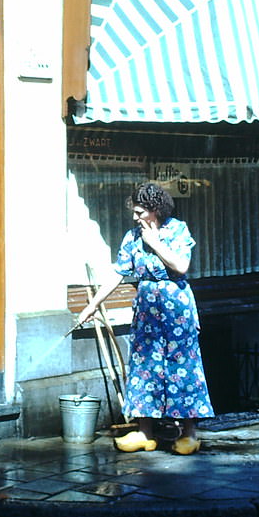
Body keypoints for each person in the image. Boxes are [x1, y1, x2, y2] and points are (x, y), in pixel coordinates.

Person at [77, 182, 214, 455]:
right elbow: (118, 272)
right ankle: (144, 432)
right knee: (144, 367)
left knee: (182, 366)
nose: (135, 217)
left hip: (176, 310)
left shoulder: (177, 230)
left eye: (140, 212)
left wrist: (155, 244)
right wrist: (92, 304)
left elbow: (181, 265)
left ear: (155, 209)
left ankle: (189, 433)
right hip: (147, 311)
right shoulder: (132, 237)